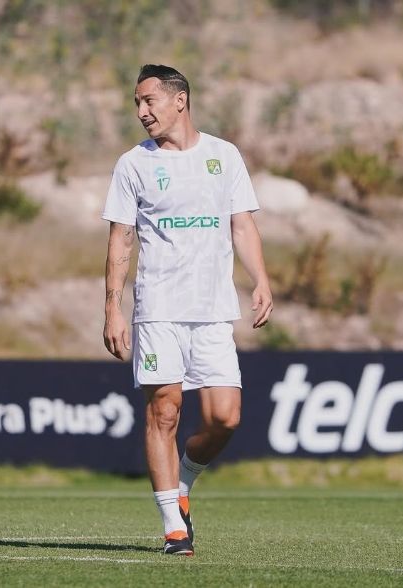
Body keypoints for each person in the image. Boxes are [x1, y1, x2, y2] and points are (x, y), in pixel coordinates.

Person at [101, 64, 273, 556]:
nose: (141, 111)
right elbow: (121, 238)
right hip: (158, 309)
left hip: (213, 310)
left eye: (149, 100)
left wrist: (261, 279)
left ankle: (184, 484)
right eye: (137, 103)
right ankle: (172, 525)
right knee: (165, 410)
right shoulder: (133, 164)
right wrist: (113, 307)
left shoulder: (224, 155)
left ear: (180, 100)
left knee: (226, 419)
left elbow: (242, 225)